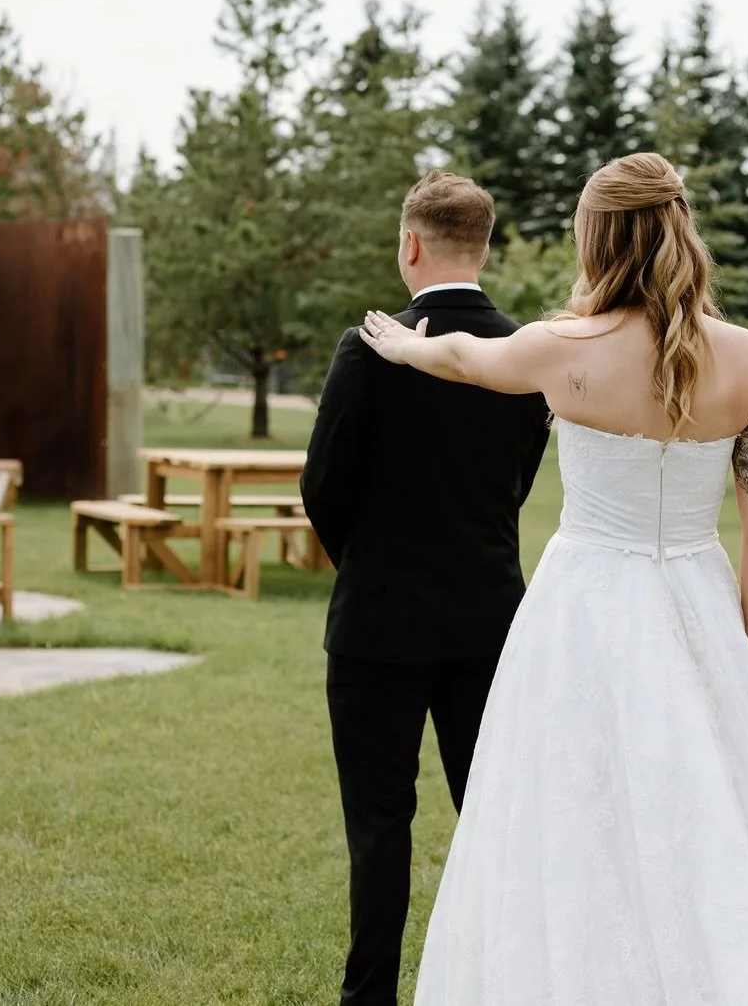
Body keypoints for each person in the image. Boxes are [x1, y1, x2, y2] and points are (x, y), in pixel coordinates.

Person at [360, 152, 748, 1005]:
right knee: (715, 813)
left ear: (596, 238)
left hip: (581, 611)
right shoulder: (744, 359)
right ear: (681, 231)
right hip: (698, 607)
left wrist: (408, 346)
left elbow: (465, 358)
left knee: (571, 813)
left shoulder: (562, 346)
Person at [301, 171, 551, 1006]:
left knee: (379, 828)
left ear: (411, 243)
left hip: (376, 625)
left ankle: (367, 995)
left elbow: (323, 483)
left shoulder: (368, 346)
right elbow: (515, 484)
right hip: (487, 624)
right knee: (492, 823)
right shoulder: (526, 356)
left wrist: (367, 560)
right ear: (483, 245)